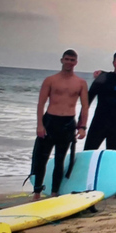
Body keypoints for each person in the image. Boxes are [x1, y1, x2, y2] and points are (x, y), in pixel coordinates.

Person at [30, 50, 89, 200]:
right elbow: (41, 104)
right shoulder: (50, 80)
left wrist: (82, 127)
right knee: (41, 158)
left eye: (72, 60)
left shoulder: (81, 83)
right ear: (62, 60)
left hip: (68, 123)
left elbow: (85, 106)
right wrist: (39, 125)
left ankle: (55, 192)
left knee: (60, 160)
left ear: (76, 62)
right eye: (67, 59)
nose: (69, 62)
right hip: (50, 121)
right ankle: (37, 192)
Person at [84, 50, 116, 151]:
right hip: (98, 123)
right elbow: (87, 101)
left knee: (113, 157)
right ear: (113, 63)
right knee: (88, 153)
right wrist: (81, 123)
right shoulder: (103, 78)